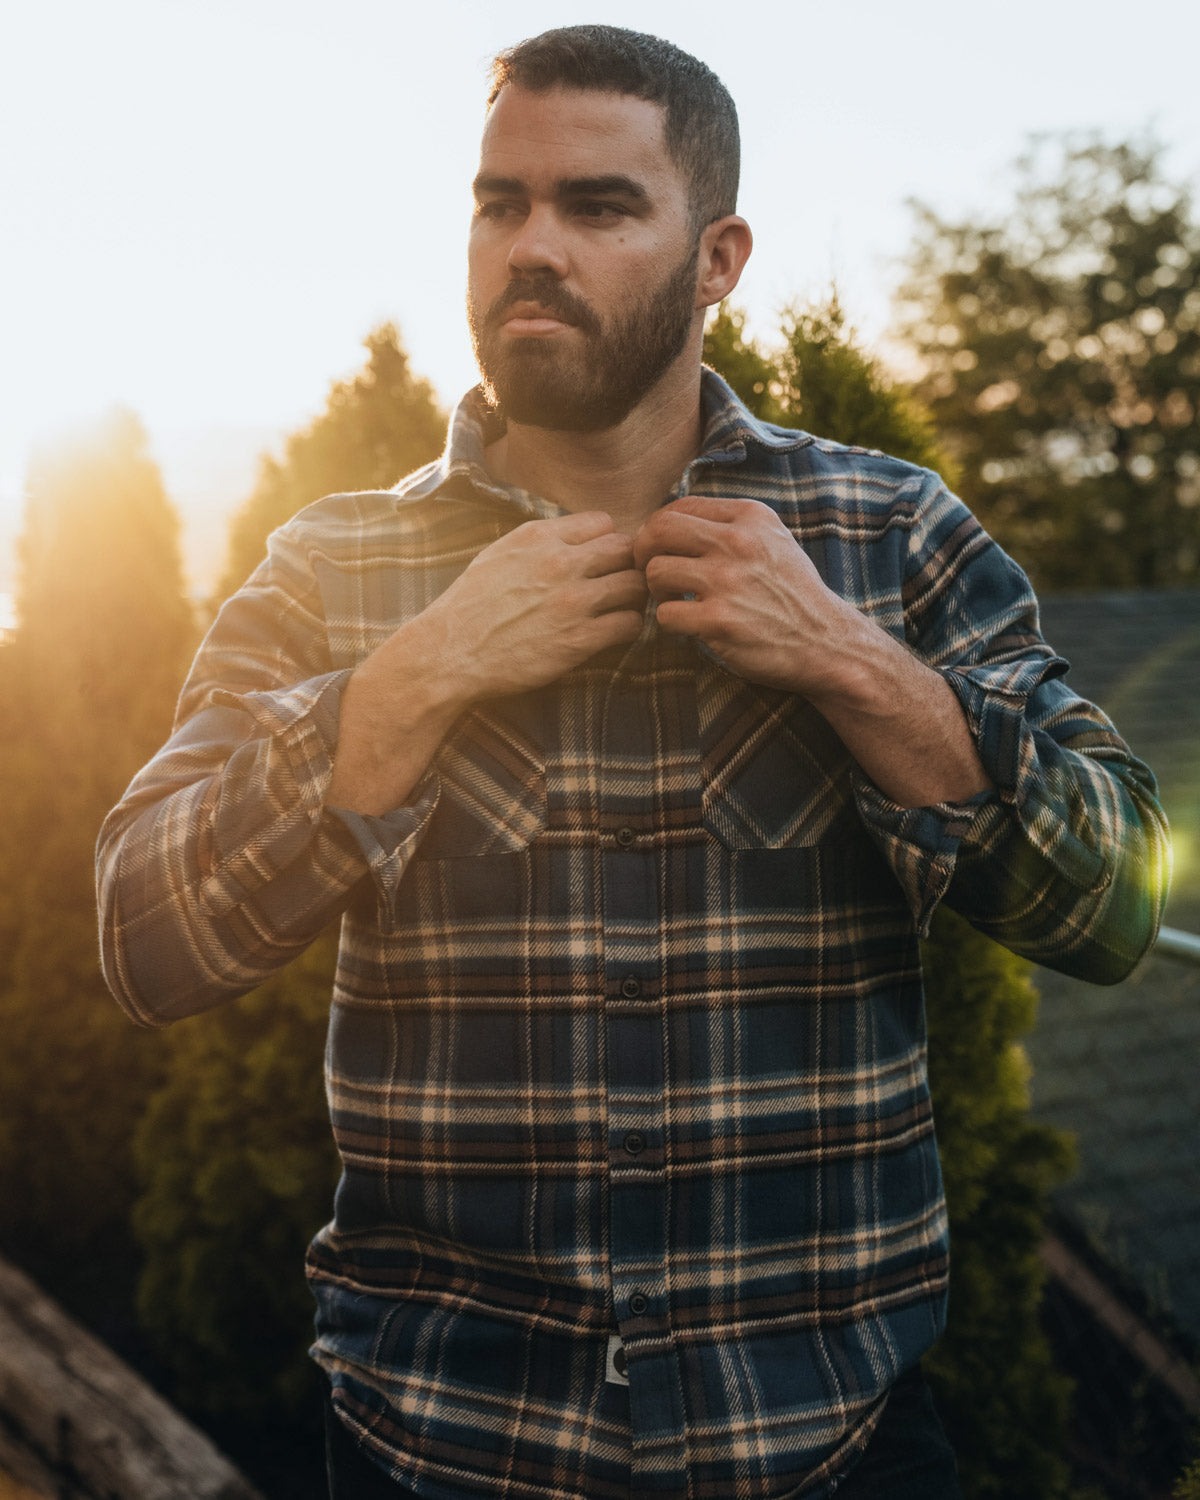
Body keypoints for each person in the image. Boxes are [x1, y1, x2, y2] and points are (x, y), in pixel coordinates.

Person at [96, 24, 1169, 1500]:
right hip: (438, 1453)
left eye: (599, 206)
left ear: (718, 256)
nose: (532, 246)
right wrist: (418, 677)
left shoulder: (888, 535)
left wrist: (853, 663)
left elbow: (1114, 905)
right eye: (500, 202)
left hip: (830, 1450)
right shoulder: (333, 569)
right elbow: (145, 939)